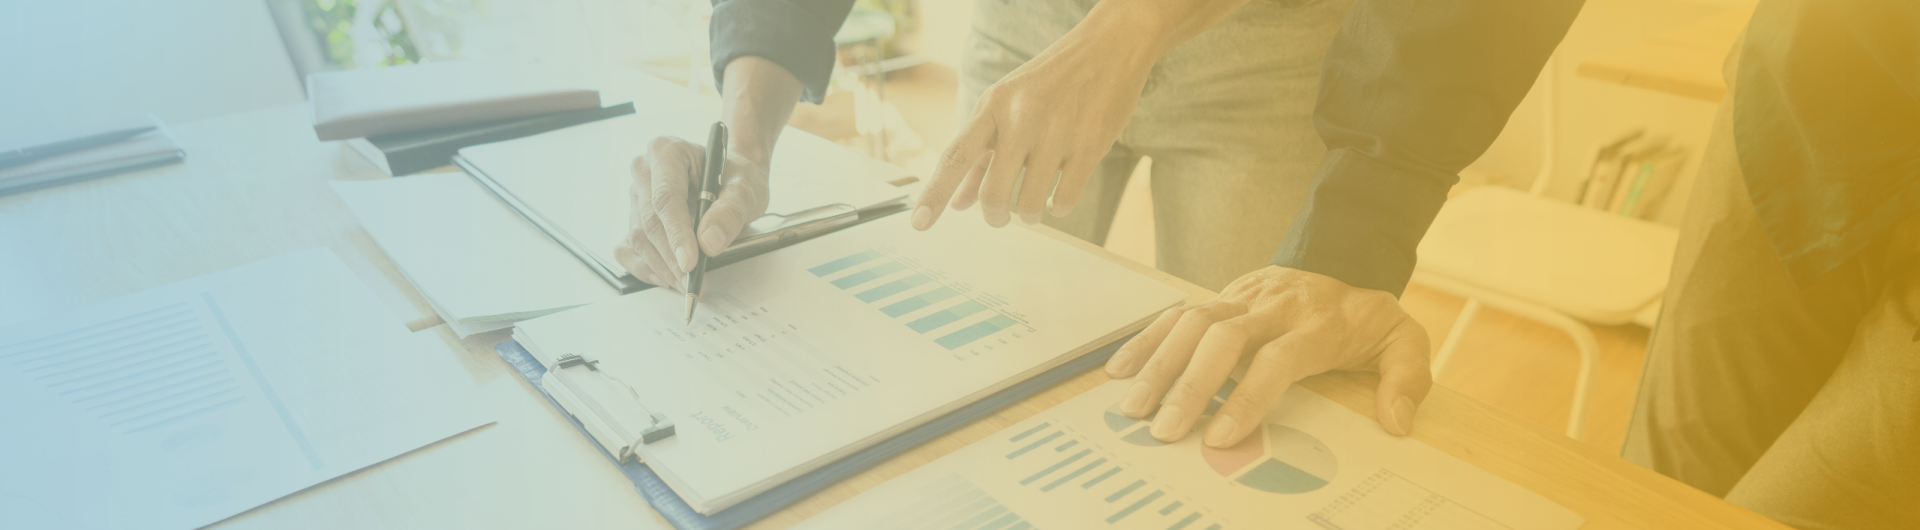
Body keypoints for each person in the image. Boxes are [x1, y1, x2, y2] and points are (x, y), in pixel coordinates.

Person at [621, 0, 1581, 444]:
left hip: (1283, 40)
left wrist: (1140, 22)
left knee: (1234, 402)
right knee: (970, 367)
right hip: (1032, 25)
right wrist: (746, 125)